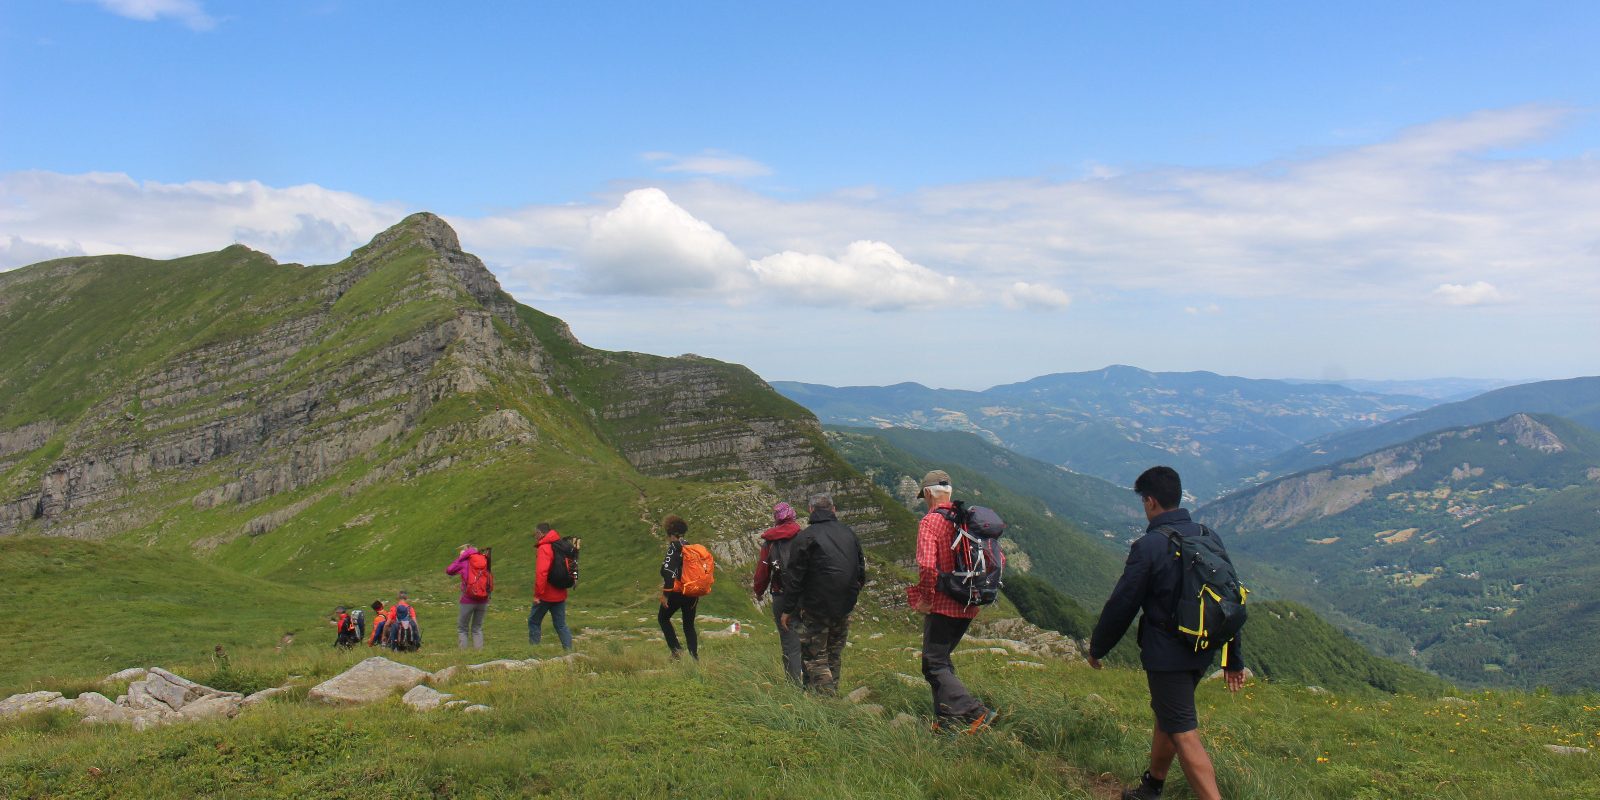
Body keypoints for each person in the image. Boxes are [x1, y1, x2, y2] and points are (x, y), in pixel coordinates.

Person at [1088, 466, 1245, 800]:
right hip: (1201, 648)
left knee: (1183, 732)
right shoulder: (1207, 535)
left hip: (1167, 653)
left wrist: (1098, 647)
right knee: (1169, 716)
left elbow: (1122, 605)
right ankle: (1152, 787)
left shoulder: (1150, 546)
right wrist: (1233, 658)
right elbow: (1229, 598)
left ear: (1150, 502)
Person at [906, 469, 997, 733]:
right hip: (969, 602)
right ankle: (947, 721)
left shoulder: (930, 522)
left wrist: (925, 598)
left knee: (933, 664)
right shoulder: (966, 519)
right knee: (941, 660)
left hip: (944, 603)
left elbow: (926, 566)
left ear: (926, 493)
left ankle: (974, 712)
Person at [777, 494, 866, 695]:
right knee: (834, 654)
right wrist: (850, 596)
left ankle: (826, 702)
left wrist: (788, 609)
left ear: (810, 510)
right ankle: (821, 696)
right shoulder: (849, 534)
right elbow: (860, 571)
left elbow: (795, 578)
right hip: (844, 605)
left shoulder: (806, 537)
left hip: (815, 607)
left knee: (815, 656)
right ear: (833, 509)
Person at [753, 502, 803, 684]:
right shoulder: (803, 537)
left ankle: (794, 687)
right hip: (804, 596)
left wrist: (759, 591)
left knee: (789, 642)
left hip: (781, 595)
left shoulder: (770, 542)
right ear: (793, 516)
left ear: (776, 518)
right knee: (808, 637)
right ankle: (815, 684)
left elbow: (762, 572)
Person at [657, 514, 698, 660]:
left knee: (663, 618)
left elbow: (669, 574)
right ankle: (694, 659)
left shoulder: (674, 547)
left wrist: (665, 596)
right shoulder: (691, 547)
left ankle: (676, 650)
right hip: (693, 593)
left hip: (677, 592)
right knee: (689, 625)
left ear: (669, 533)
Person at [529, 522, 574, 650]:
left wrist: (538, 594)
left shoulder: (544, 548)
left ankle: (534, 652)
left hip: (546, 594)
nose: (535, 537)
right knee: (560, 625)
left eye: (535, 534)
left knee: (534, 621)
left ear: (540, 533)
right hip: (561, 592)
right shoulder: (563, 545)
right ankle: (569, 652)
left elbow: (541, 573)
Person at [446, 544, 492, 649]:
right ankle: (479, 654)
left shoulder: (464, 561)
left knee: (462, 628)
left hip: (468, 599)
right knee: (477, 628)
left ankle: (464, 654)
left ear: (466, 552)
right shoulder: (484, 559)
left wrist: (460, 558)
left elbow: (449, 570)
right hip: (483, 599)